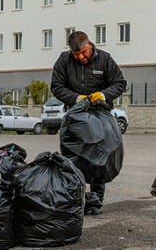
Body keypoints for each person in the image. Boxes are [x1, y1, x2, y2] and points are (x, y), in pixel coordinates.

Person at [51, 31, 127, 215]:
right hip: (75, 117)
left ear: (90, 45)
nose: (81, 57)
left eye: (83, 52)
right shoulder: (64, 61)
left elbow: (120, 83)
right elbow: (56, 87)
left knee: (98, 157)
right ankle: (75, 198)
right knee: (73, 157)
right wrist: (77, 98)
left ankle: (95, 200)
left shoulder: (105, 59)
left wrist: (104, 95)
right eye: (76, 54)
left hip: (100, 117)